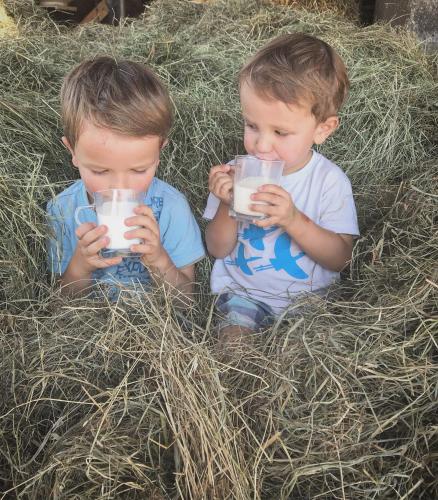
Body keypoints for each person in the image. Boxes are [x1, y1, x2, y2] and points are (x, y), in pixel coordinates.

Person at [204, 33, 359, 345]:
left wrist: (292, 219)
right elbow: (217, 249)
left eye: (281, 132)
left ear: (322, 129)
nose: (261, 145)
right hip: (244, 294)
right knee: (233, 349)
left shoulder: (328, 181)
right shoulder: (236, 172)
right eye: (252, 126)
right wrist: (225, 204)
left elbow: (341, 258)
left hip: (310, 303)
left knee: (308, 362)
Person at [47, 57, 205, 298]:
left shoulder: (172, 207)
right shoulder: (63, 209)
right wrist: (80, 265)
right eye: (100, 171)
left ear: (159, 153)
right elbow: (60, 305)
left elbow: (185, 301)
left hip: (158, 332)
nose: (120, 187)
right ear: (73, 153)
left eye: (138, 170)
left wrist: (158, 259)